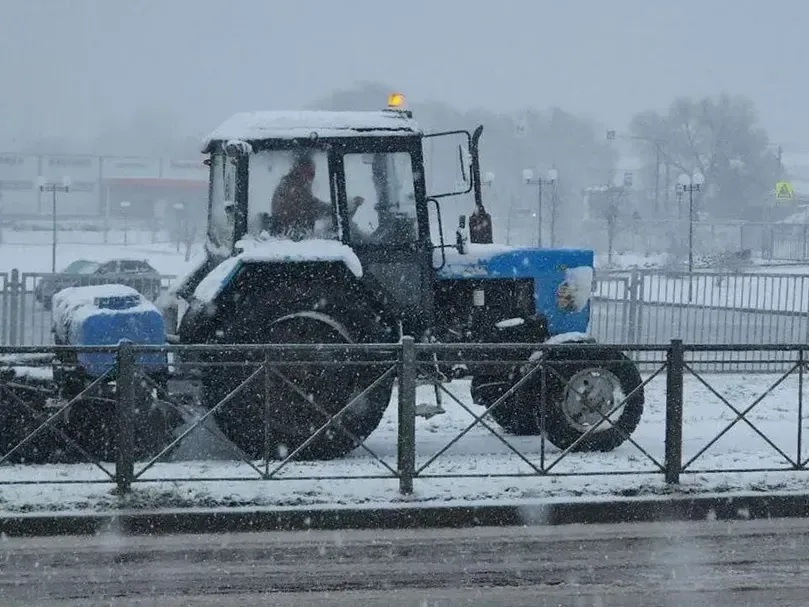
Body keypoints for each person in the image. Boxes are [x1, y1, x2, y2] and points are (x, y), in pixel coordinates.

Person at [271, 152, 363, 238]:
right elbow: (312, 208)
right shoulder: (291, 189)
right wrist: (344, 207)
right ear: (298, 170)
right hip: (291, 240)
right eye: (309, 174)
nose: (311, 178)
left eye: (313, 174)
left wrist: (345, 207)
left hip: (295, 238)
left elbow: (313, 206)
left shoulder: (296, 186)